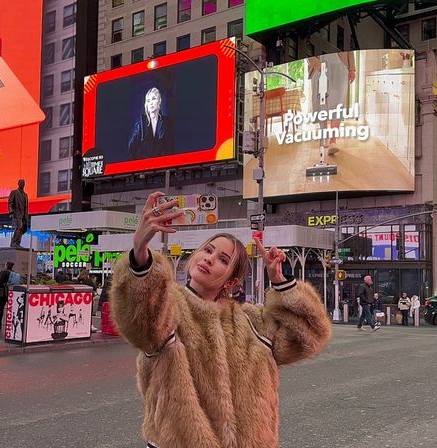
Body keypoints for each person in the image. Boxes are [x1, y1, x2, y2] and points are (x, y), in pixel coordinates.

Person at [110, 192, 332, 447]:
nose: (209, 259)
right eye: (208, 250)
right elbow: (141, 326)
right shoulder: (168, 307)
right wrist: (139, 249)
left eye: (222, 260)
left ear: (231, 281)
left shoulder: (250, 323)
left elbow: (310, 335)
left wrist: (281, 282)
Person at [128, 87, 175, 160]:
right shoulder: (140, 126)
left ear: (159, 101)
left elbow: (171, 147)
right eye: (148, 100)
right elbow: (131, 149)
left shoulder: (167, 123)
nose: (151, 103)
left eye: (153, 99)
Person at [8, 179, 30, 249]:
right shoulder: (14, 192)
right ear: (18, 184)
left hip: (23, 215)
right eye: (21, 183)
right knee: (18, 227)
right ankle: (14, 242)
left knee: (22, 229)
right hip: (17, 213)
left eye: (23, 183)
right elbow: (10, 203)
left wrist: (26, 216)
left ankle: (17, 243)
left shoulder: (25, 195)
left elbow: (26, 206)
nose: (22, 184)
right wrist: (11, 211)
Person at [0, 261, 14, 328]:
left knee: (1, 307)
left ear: (7, 265)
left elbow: (0, 282)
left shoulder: (4, 272)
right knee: (10, 308)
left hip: (4, 292)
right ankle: (10, 322)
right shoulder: (13, 272)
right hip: (11, 291)